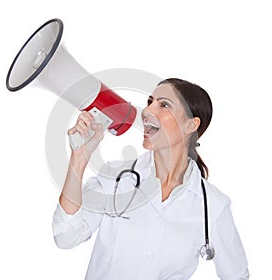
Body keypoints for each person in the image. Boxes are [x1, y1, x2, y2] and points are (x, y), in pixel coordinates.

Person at [52, 78, 249, 279]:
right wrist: (79, 158)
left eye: (164, 105)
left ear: (191, 124)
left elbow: (237, 275)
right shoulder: (115, 178)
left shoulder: (213, 206)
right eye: (149, 102)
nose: (146, 111)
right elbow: (65, 236)